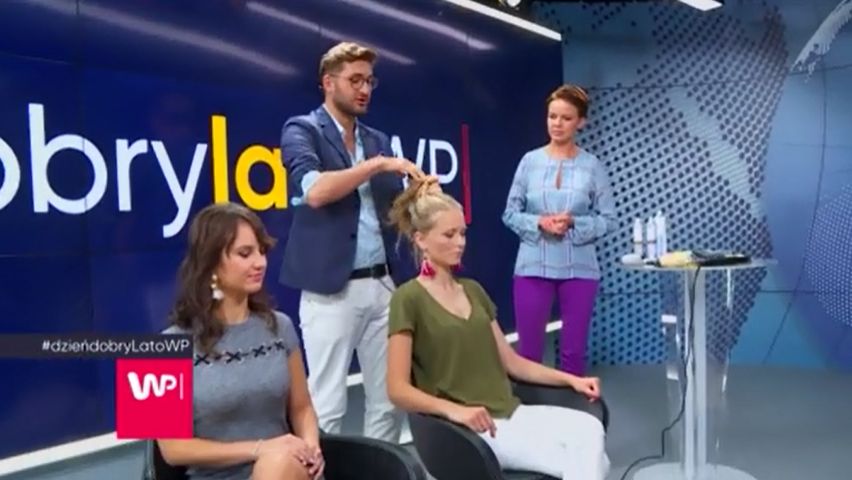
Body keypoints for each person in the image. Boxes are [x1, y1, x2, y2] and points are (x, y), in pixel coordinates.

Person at [386, 178, 610, 479]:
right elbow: (397, 389)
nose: (460, 243)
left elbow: (513, 363)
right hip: (469, 430)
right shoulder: (408, 298)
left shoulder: (473, 290)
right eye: (449, 235)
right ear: (421, 240)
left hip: (511, 413)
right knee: (583, 459)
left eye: (462, 233)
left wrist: (572, 380)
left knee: (590, 430)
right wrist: (454, 411)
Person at [278, 41, 420, 442]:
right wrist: (376, 165)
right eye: (355, 80)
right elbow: (315, 191)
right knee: (327, 404)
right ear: (328, 82)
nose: (365, 89)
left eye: (370, 81)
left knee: (387, 400)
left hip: (384, 285)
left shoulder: (377, 139)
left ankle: (381, 468)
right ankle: (324, 469)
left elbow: (391, 211)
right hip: (331, 291)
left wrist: (420, 196)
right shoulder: (301, 130)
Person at [158, 202, 324, 480]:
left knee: (277, 465)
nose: (260, 262)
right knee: (275, 461)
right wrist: (261, 448)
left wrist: (311, 446)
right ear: (211, 262)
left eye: (261, 251)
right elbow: (172, 450)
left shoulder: (281, 326)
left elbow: (302, 407)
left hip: (287, 470)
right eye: (245, 254)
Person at [502, 84, 616, 376]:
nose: (557, 124)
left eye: (566, 118)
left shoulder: (593, 166)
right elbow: (510, 214)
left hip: (579, 268)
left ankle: (572, 404)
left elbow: (608, 220)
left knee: (573, 354)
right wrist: (539, 222)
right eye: (552, 116)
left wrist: (575, 222)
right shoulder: (529, 162)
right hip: (532, 265)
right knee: (529, 353)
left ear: (581, 122)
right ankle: (531, 405)